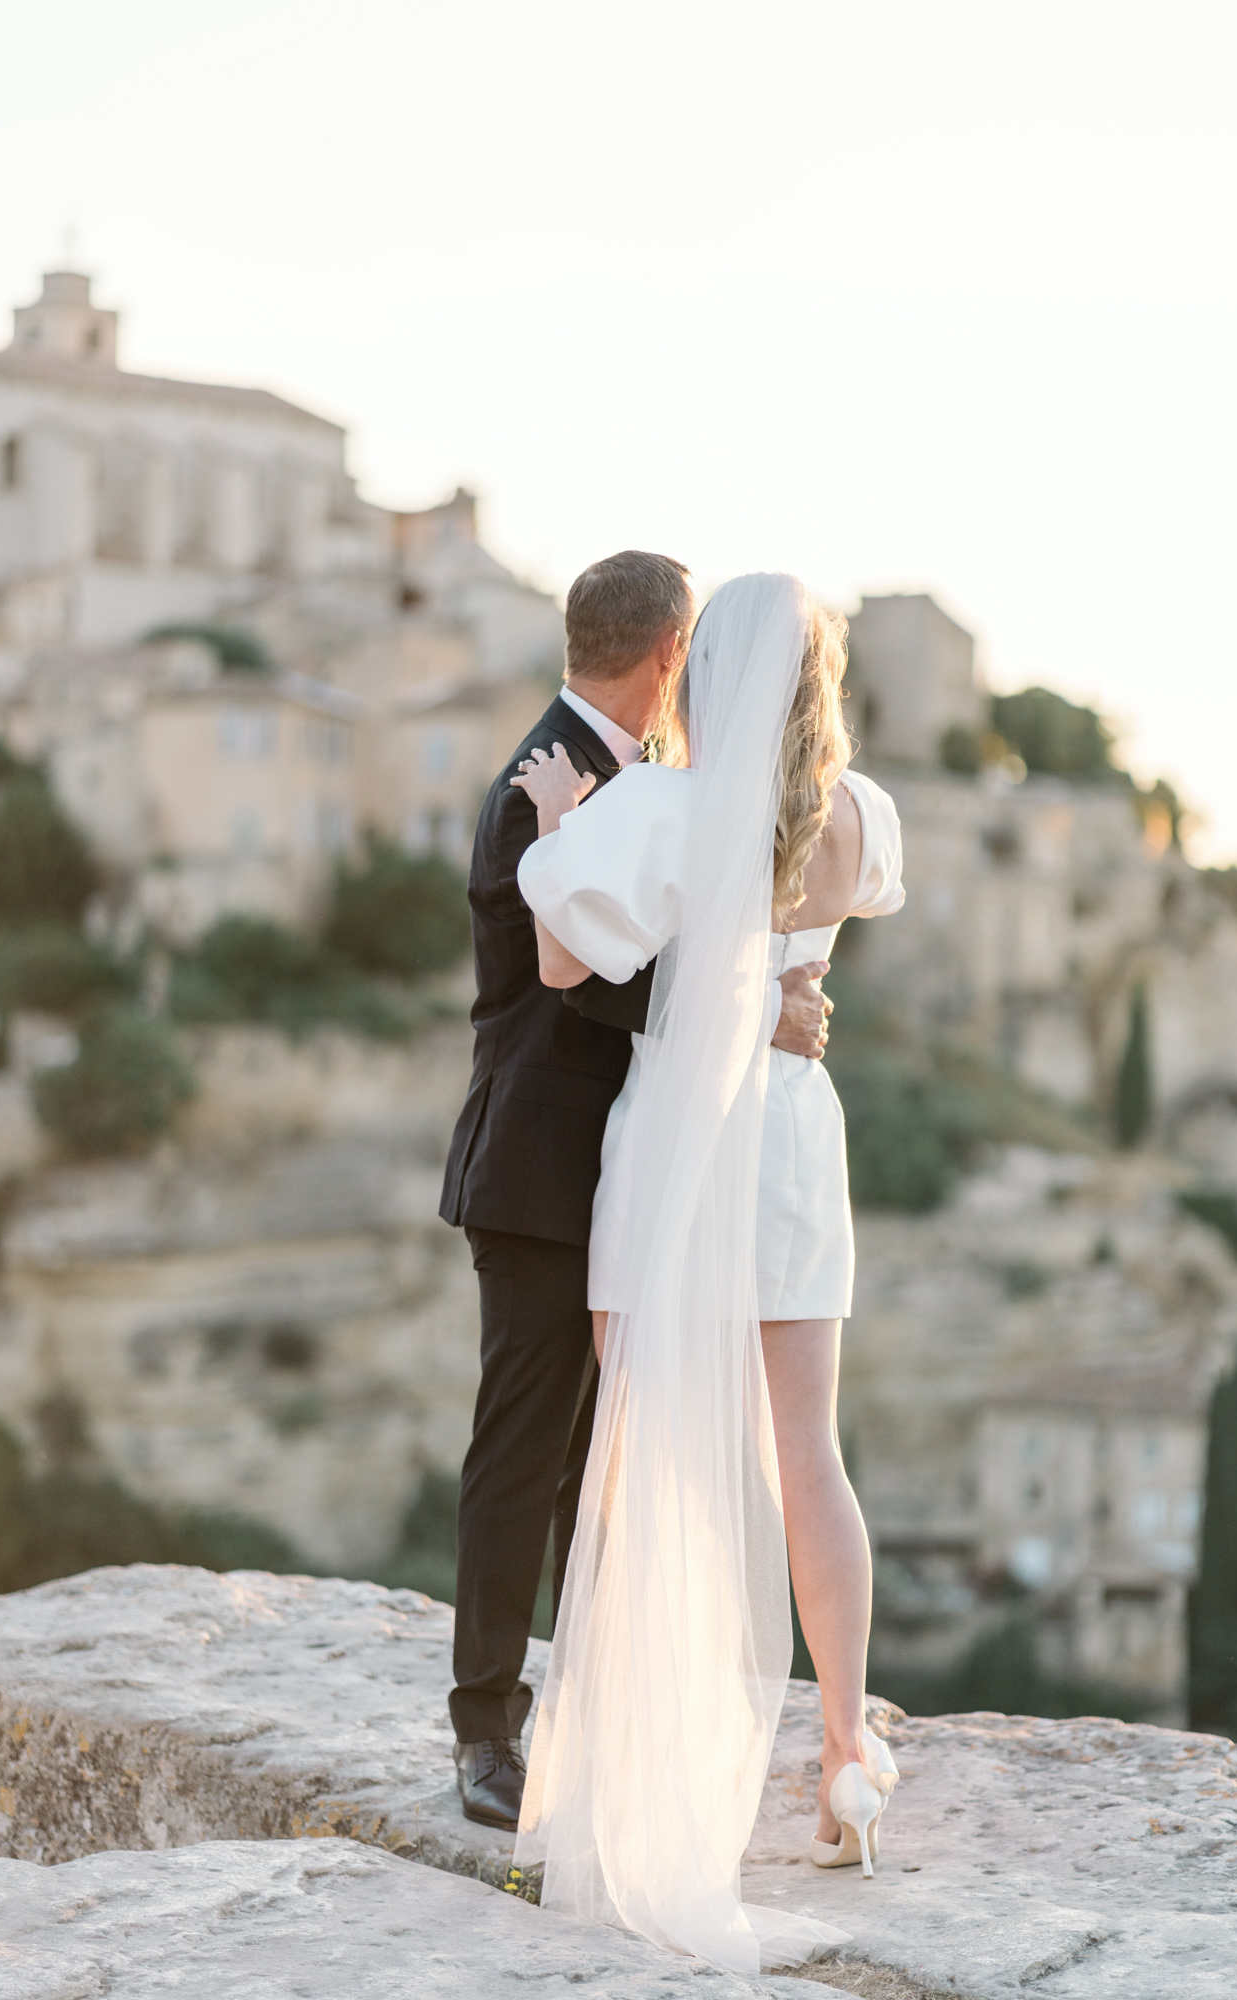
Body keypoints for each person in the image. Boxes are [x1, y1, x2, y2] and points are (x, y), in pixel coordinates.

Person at [509, 574, 907, 1973]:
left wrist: (561, 834)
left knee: (649, 1452)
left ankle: (647, 1759)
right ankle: (847, 1753)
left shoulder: (661, 807)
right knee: (809, 1451)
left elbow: (565, 961)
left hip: (682, 1137)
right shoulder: (854, 813)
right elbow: (841, 916)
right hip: (794, 1138)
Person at [439, 552, 835, 1831]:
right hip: (541, 1169)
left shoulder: (637, 783)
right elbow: (583, 977)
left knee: (590, 1465)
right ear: (671, 656)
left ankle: (586, 1717)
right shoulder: (534, 790)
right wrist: (756, 1005)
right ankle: (483, 1731)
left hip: (618, 1175)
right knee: (525, 1449)